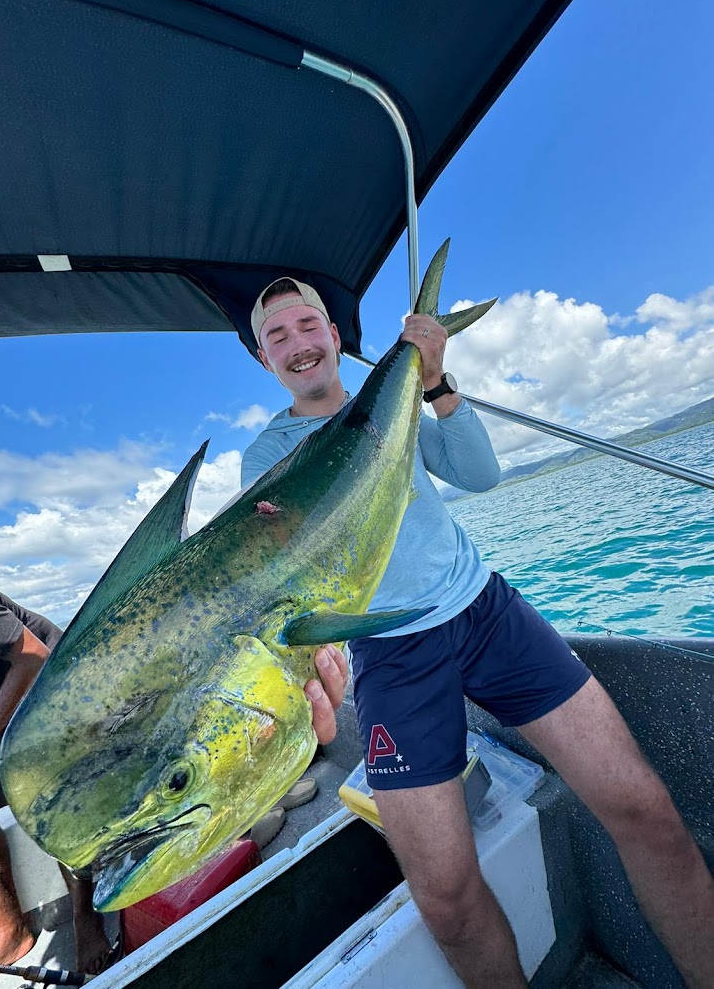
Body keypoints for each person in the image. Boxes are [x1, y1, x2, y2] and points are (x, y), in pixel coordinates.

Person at [242, 277, 714, 989]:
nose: (297, 344)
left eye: (307, 325)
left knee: (641, 806)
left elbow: (479, 474)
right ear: (263, 360)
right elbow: (286, 569)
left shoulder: (394, 404)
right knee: (448, 902)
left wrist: (434, 384)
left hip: (487, 614)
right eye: (276, 336)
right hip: (391, 656)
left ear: (334, 337)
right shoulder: (267, 455)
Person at [0, 575, 347, 989]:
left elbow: (34, 658)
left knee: (63, 797)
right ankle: (9, 933)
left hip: (59, 695)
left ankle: (86, 916)